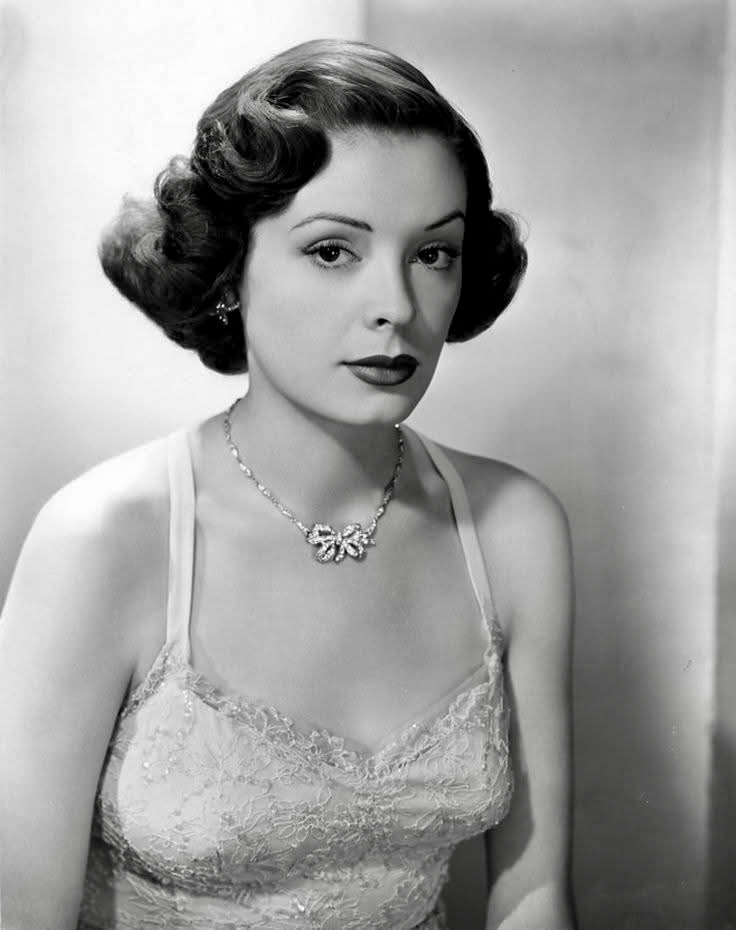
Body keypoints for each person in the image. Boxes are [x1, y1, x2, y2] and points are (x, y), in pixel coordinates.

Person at [0, 38, 576, 930]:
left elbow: (533, 898)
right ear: (232, 271)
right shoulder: (102, 539)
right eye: (334, 251)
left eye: (433, 253)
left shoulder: (512, 526)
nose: (396, 306)